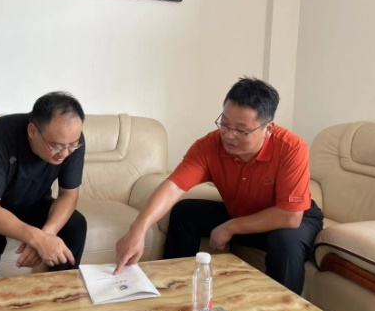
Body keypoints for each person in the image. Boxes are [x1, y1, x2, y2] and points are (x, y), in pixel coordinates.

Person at [115, 77, 323, 295]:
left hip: (291, 219)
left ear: (268, 129)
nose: (229, 135)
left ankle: (283, 310)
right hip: (242, 212)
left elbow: (290, 217)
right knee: (186, 212)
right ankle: (176, 290)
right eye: (224, 123)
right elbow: (174, 187)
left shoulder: (291, 148)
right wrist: (137, 230)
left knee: (285, 241)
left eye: (241, 130)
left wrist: (230, 227)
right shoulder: (209, 146)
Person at [0, 91, 87, 280]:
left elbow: (68, 195)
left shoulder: (71, 142)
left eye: (72, 145)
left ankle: (61, 290)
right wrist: (36, 238)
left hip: (32, 201)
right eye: (56, 146)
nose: (64, 153)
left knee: (75, 225)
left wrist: (48, 234)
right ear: (32, 131)